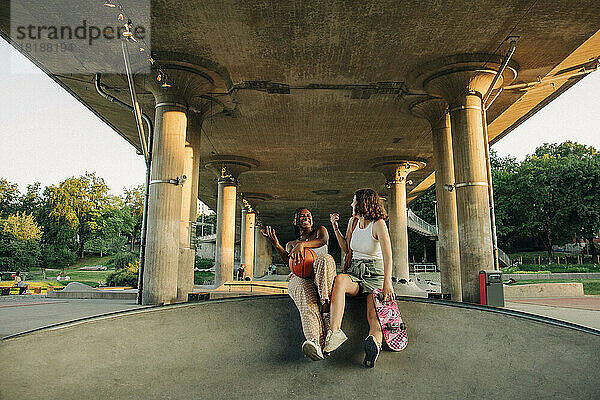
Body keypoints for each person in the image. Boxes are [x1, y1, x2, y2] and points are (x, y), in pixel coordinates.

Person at [326, 188, 394, 368]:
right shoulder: (353, 222)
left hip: (375, 274)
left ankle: (374, 343)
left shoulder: (378, 224)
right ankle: (334, 332)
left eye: (354, 201)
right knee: (340, 280)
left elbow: (388, 255)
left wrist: (388, 283)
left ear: (363, 203)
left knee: (373, 314)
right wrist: (335, 227)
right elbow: (346, 248)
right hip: (355, 271)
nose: (351, 204)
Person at [262, 207, 336, 361]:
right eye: (302, 216)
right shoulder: (291, 244)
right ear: (295, 221)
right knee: (303, 292)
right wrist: (276, 243)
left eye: (308, 215)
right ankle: (315, 343)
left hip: (322, 276)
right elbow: (290, 263)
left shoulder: (319, 232)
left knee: (325, 259)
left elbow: (323, 241)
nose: (306, 218)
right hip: (303, 277)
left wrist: (303, 245)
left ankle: (326, 306)